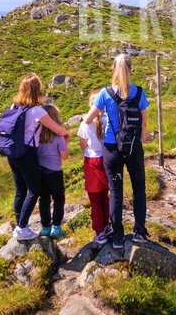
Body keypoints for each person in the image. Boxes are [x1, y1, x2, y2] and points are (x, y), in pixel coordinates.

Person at [80, 54, 149, 249]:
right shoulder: (140, 93)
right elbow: (144, 122)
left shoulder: (105, 93)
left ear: (113, 70)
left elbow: (87, 120)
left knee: (116, 192)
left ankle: (118, 237)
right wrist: (139, 142)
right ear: (131, 70)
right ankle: (139, 232)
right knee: (138, 189)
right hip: (134, 147)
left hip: (112, 148)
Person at [5, 73, 68, 241]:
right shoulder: (36, 111)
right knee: (34, 190)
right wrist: (65, 133)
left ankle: (20, 223)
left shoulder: (14, 106)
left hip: (12, 153)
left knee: (20, 190)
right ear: (37, 90)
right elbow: (58, 130)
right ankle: (21, 227)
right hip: (27, 154)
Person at [78, 90, 111, 244]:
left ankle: (99, 232)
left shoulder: (86, 122)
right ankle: (107, 225)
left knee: (94, 198)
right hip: (106, 159)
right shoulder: (106, 119)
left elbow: (83, 144)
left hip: (92, 160)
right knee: (104, 194)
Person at [37, 104, 69, 238]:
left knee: (44, 199)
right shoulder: (58, 137)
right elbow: (64, 156)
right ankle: (56, 227)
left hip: (39, 172)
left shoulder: (36, 135)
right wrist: (66, 142)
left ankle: (45, 227)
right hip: (54, 172)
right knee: (59, 198)